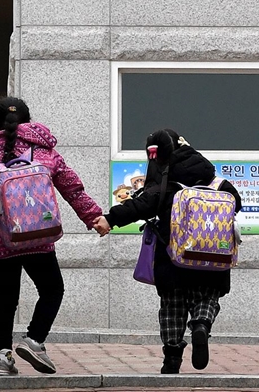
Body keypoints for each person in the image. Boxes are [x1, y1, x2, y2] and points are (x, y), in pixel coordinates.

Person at [0, 96, 102, 376]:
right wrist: (93, 216)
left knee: (6, 298)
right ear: (28, 120)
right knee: (52, 290)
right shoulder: (44, 149)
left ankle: (3, 358)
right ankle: (34, 340)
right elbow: (71, 187)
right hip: (37, 231)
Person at [93, 128, 242, 374]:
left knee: (173, 306)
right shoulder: (217, 182)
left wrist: (110, 219)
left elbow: (141, 205)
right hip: (214, 258)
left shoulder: (167, 183)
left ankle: (172, 358)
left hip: (174, 257)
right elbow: (236, 202)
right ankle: (201, 324)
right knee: (206, 298)